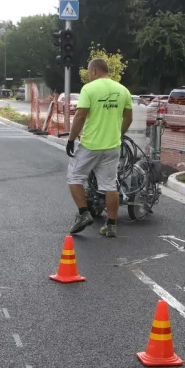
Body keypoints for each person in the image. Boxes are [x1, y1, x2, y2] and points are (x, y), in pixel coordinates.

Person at [66, 58, 133, 238]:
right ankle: (111, 225)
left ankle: (83, 214)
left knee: (75, 177)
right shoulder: (123, 90)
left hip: (91, 144)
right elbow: (129, 117)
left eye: (89, 73)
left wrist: (71, 139)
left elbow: (80, 116)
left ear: (94, 71)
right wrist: (118, 134)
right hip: (113, 146)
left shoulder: (89, 89)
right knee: (110, 185)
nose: (89, 76)